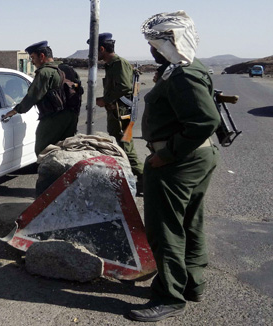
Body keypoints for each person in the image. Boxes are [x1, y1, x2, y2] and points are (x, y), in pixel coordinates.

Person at [127, 11, 221, 322]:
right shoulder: (180, 69)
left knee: (165, 229)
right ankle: (192, 283)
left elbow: (206, 119)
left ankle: (169, 296)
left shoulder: (183, 74)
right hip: (194, 158)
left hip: (179, 163)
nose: (152, 50)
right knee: (189, 222)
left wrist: (165, 155)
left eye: (155, 44)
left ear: (170, 43)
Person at [2, 41, 78, 155]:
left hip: (53, 118)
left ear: (42, 56)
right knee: (66, 150)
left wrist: (15, 110)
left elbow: (33, 96)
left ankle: (50, 173)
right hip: (71, 116)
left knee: (43, 150)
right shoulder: (66, 69)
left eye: (33, 57)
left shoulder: (45, 72)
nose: (32, 61)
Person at [92, 32, 144, 190]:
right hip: (117, 113)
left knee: (126, 149)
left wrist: (105, 100)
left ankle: (146, 180)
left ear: (102, 48)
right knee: (120, 148)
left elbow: (124, 87)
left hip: (123, 114)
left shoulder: (119, 63)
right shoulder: (112, 65)